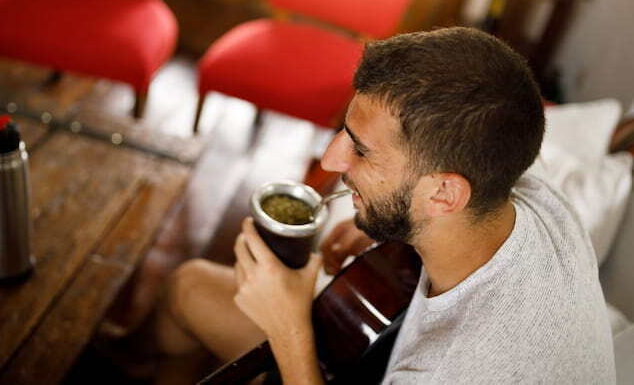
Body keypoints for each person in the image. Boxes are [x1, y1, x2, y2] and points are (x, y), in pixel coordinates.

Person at [153, 27, 616, 384]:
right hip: (379, 348)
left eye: (362, 150)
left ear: (443, 195)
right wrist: (389, 223)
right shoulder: (526, 188)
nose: (332, 159)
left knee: (188, 290)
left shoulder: (464, 368)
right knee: (188, 285)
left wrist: (287, 325)